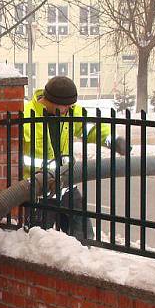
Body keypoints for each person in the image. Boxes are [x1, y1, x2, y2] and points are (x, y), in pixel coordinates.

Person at [22, 76, 126, 243]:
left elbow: (91, 129)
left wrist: (112, 141)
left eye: (72, 105)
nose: (70, 108)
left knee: (83, 236)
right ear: (51, 101)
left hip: (66, 185)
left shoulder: (71, 112)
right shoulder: (26, 116)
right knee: (37, 242)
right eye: (67, 105)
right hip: (39, 191)